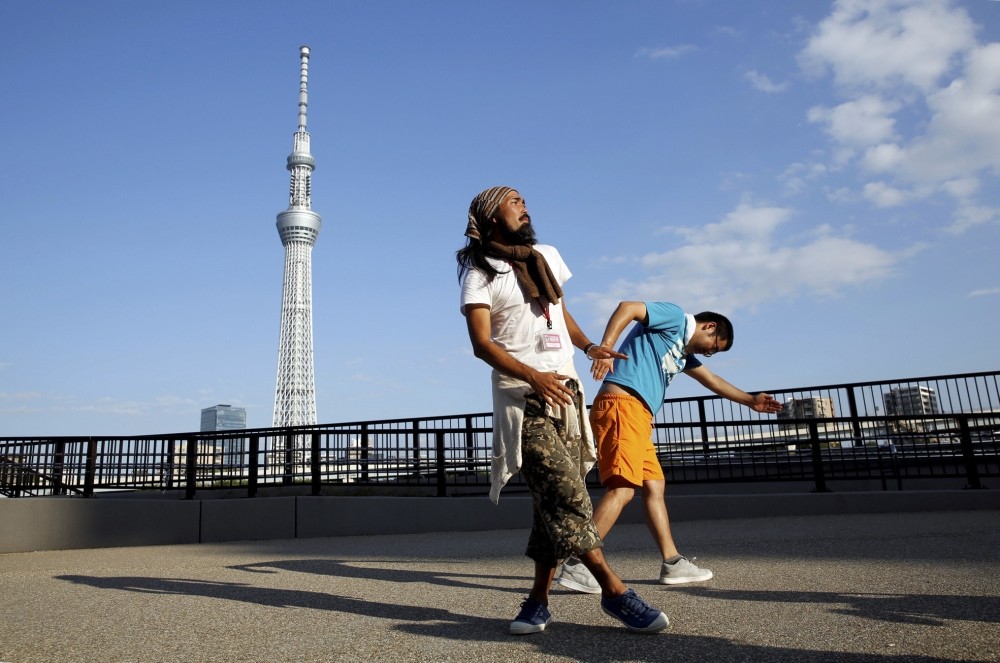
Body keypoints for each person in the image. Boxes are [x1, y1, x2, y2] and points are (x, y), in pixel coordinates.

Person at [458, 187, 668, 635]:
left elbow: (559, 313)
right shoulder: (480, 273)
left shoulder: (546, 255)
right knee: (567, 494)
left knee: (549, 505)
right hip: (524, 397)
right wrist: (534, 377)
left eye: (524, 200)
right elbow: (482, 344)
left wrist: (591, 344)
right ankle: (614, 592)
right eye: (514, 201)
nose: (525, 206)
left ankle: (536, 602)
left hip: (568, 396)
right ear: (491, 215)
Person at [555, 301, 783, 594]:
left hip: (638, 415)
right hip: (622, 406)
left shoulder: (681, 353)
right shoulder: (675, 319)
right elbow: (629, 308)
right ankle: (579, 563)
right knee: (622, 489)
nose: (711, 353)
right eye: (714, 346)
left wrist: (750, 401)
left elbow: (712, 381)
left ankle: (673, 563)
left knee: (654, 486)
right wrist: (606, 348)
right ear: (709, 326)